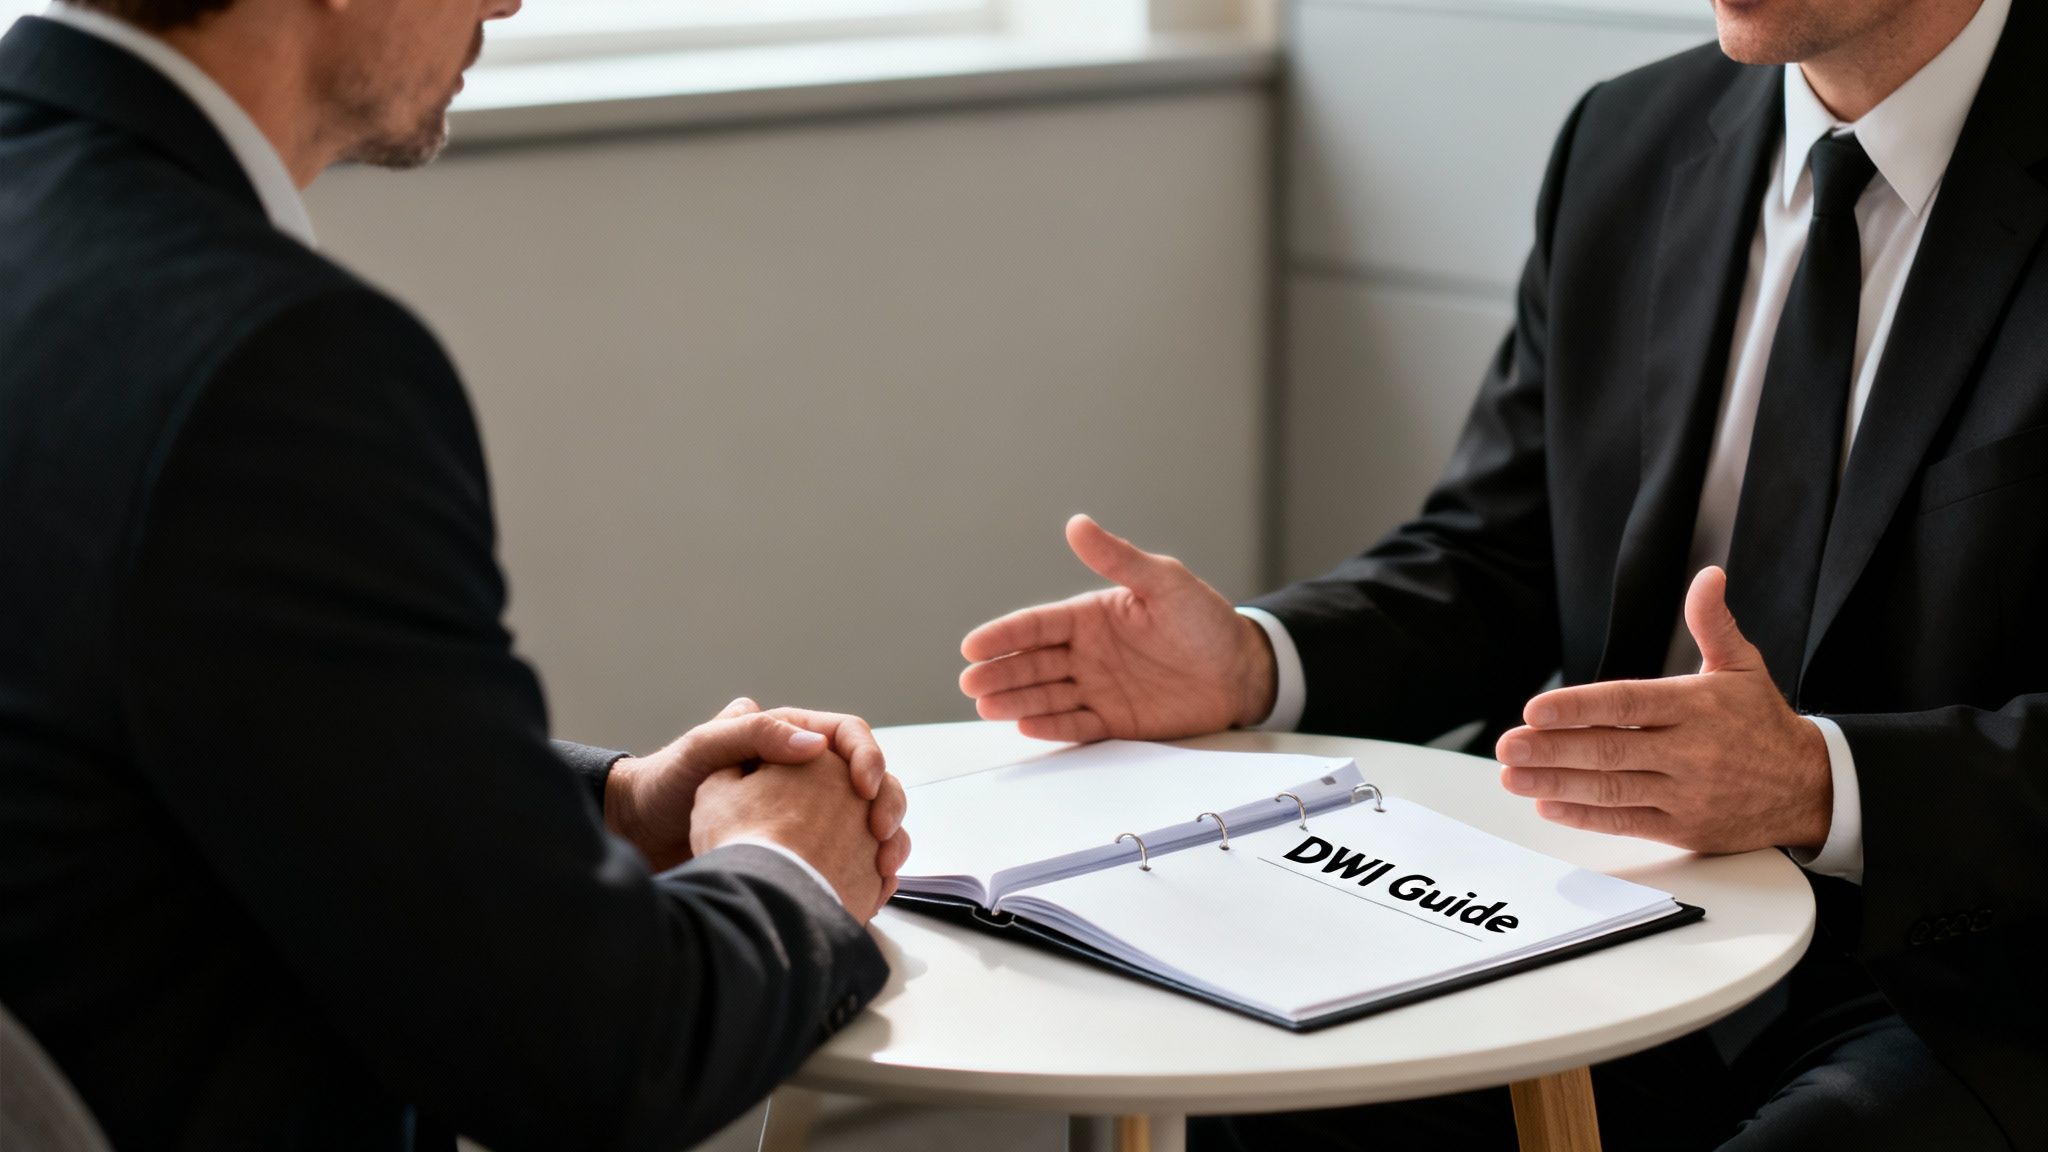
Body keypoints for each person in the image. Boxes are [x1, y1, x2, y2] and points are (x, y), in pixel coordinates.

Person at [959, 0, 2044, 1146]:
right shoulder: (1629, 138)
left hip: (1966, 959)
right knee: (1264, 1094)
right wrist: (1256, 659)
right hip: (1601, 893)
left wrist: (1824, 784)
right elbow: (1496, 556)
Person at [0, 0, 911, 1148]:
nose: (508, 1)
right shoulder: (272, 364)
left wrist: (609, 807)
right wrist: (789, 870)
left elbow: (141, 727)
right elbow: (594, 1054)